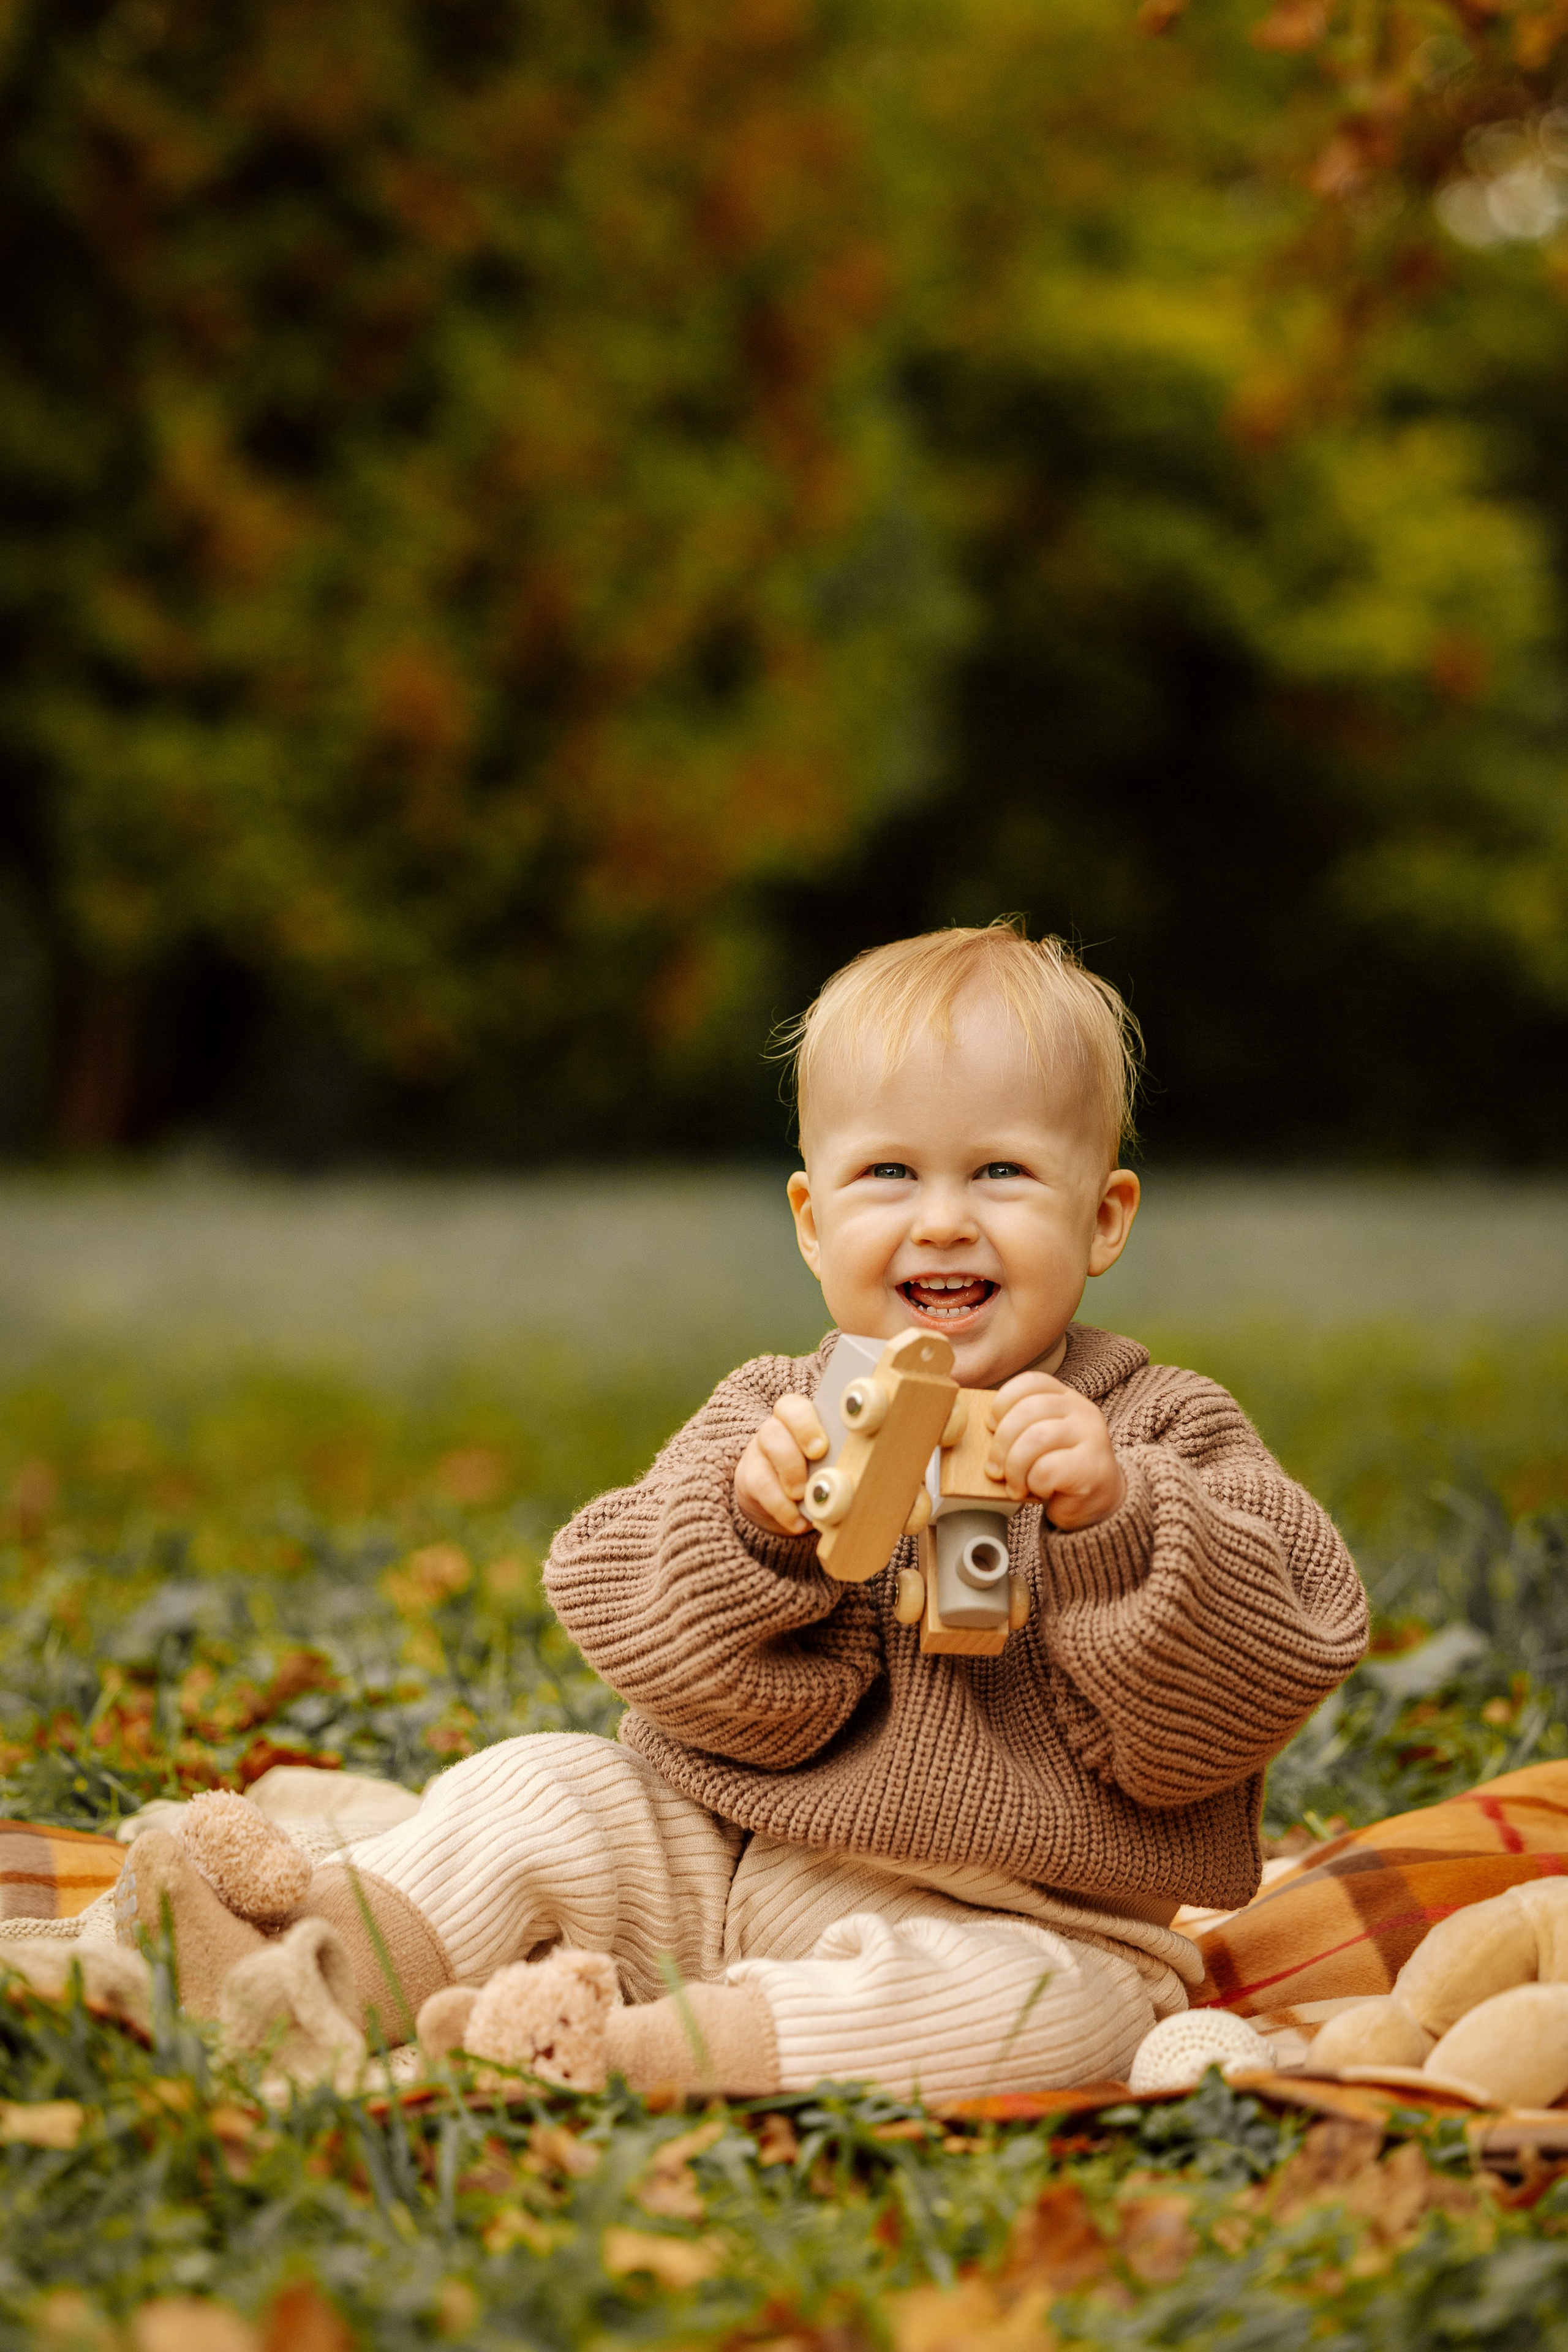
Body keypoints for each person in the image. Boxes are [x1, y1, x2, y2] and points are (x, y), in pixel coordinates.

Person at [119, 923, 1368, 2099]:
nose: (942, 1216)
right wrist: (755, 1535)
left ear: (1099, 1218)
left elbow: (1265, 1671)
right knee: (542, 1787)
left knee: (1038, 2013)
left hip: (1023, 1914)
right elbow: (646, 1638)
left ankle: (618, 2052)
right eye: (888, 1172)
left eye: (1000, 1170)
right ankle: (297, 1957)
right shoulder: (776, 1416)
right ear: (813, 1221)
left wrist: (1116, 1522)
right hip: (717, 1856)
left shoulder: (1162, 1433)